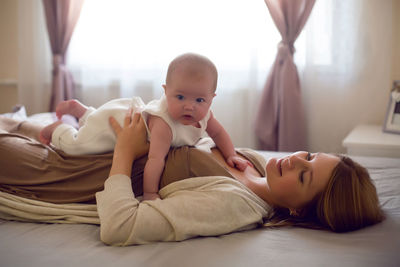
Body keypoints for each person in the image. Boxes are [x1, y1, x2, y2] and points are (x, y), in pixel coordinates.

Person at [0, 115, 384, 246]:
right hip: (83, 147)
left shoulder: (235, 205)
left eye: (305, 176)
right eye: (310, 156)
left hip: (64, 176)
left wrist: (123, 151)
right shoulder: (250, 161)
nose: (296, 160)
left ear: (300, 209)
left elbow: (122, 226)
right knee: (19, 121)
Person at [38, 53, 252, 200]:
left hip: (121, 115)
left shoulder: (206, 117)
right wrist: (150, 193)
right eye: (180, 96)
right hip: (116, 125)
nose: (190, 106)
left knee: (94, 121)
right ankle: (58, 128)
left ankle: (82, 112)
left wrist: (231, 154)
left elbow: (218, 132)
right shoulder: (164, 125)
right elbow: (155, 160)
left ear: (211, 99)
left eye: (199, 100)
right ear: (166, 91)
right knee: (80, 144)